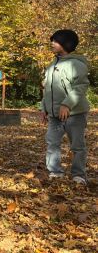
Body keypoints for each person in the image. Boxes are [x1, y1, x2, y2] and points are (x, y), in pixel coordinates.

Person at [41, 29, 90, 185]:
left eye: (55, 41)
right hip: (55, 115)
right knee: (52, 143)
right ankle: (55, 172)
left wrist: (66, 104)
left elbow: (80, 87)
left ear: (65, 44)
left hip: (74, 114)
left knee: (77, 145)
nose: (52, 44)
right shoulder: (52, 64)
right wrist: (44, 108)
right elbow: (47, 88)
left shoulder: (76, 64)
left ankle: (78, 175)